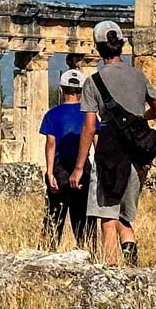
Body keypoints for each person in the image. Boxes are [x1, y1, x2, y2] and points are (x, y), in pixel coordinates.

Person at [69, 21, 156, 265]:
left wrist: (79, 167)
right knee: (125, 217)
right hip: (137, 155)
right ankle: (132, 265)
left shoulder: (94, 82)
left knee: (107, 216)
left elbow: (90, 127)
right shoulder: (138, 76)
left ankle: (111, 270)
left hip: (109, 153)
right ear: (121, 44)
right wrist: (137, 120)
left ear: (98, 48)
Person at [39, 69, 94, 249]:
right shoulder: (89, 114)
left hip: (60, 167)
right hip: (82, 167)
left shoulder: (52, 114)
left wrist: (49, 172)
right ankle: (89, 252)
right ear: (81, 91)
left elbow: (50, 143)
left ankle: (49, 252)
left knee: (54, 216)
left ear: (62, 89)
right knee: (83, 218)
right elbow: (96, 141)